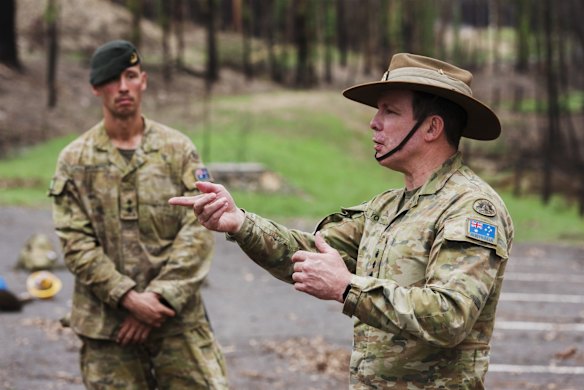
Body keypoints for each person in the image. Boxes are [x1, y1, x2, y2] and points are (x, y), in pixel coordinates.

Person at [170, 53, 514, 389]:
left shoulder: (469, 207)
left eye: (390, 111)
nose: (373, 122)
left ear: (431, 127)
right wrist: (240, 223)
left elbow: (450, 316)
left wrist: (347, 287)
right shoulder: (389, 205)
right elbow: (310, 253)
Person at [49, 40, 228, 389]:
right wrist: (130, 299)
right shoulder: (74, 161)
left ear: (143, 80)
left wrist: (157, 300)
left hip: (175, 319)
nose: (123, 87)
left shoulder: (178, 150)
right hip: (108, 326)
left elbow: (200, 227)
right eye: (112, 80)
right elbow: (75, 243)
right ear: (96, 89)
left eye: (131, 76)